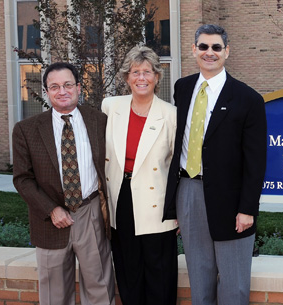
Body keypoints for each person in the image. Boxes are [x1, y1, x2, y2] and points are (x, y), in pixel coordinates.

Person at [162, 24, 267, 305]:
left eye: (216, 47)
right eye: (204, 47)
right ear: (194, 50)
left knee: (233, 285)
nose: (210, 53)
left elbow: (256, 162)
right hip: (188, 191)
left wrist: (247, 209)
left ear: (227, 52)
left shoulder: (248, 99)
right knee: (199, 276)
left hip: (231, 201)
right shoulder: (182, 88)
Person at [12, 62, 115, 305]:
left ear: (79, 87)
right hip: (50, 220)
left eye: (68, 84)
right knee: (54, 295)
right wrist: (51, 209)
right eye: (55, 86)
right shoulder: (26, 130)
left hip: (90, 213)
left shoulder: (99, 121)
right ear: (47, 91)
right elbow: (22, 179)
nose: (62, 91)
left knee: (99, 287)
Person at [101, 46, 178, 305]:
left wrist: (176, 210)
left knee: (159, 272)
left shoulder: (171, 114)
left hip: (157, 201)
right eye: (135, 72)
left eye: (147, 71)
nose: (141, 77)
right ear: (127, 77)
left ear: (157, 76)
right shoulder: (111, 107)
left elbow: (177, 165)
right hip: (121, 197)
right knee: (128, 268)